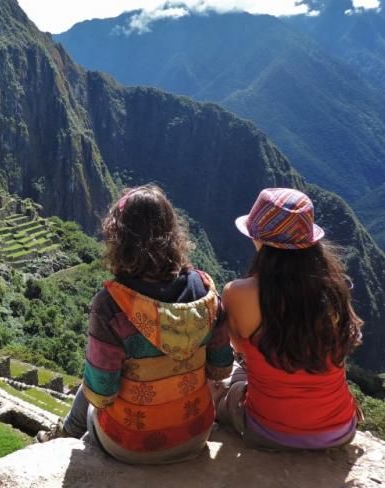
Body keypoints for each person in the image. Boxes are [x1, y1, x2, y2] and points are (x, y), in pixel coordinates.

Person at [37, 185, 233, 464]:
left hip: (130, 445)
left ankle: (65, 434)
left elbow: (102, 394)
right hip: (195, 434)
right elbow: (221, 368)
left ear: (118, 239)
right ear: (173, 232)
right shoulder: (205, 290)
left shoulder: (111, 305)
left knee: (91, 382)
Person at [214, 188, 363, 450]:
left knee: (218, 381)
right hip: (340, 429)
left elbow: (239, 349)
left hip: (269, 430)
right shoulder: (335, 289)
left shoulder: (239, 293)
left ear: (258, 238)